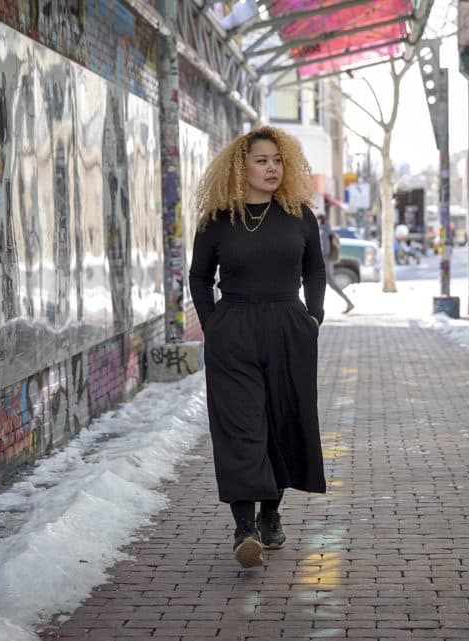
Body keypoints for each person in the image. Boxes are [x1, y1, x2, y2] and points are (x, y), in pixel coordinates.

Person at [188, 126, 327, 568]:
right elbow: (198, 276)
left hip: (288, 326)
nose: (271, 168)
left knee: (281, 423)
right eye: (262, 160)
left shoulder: (300, 215)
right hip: (235, 330)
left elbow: (316, 271)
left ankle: (271, 515)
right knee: (242, 427)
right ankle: (244, 528)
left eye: (277, 160)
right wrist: (214, 325)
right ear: (240, 167)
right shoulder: (217, 220)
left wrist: (314, 317)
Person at [316, 213, 354, 314]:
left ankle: (349, 303)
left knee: (330, 285)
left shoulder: (323, 232)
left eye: (317, 220)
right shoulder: (328, 229)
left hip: (324, 263)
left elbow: (326, 250)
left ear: (320, 221)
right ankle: (316, 308)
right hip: (328, 263)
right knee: (320, 285)